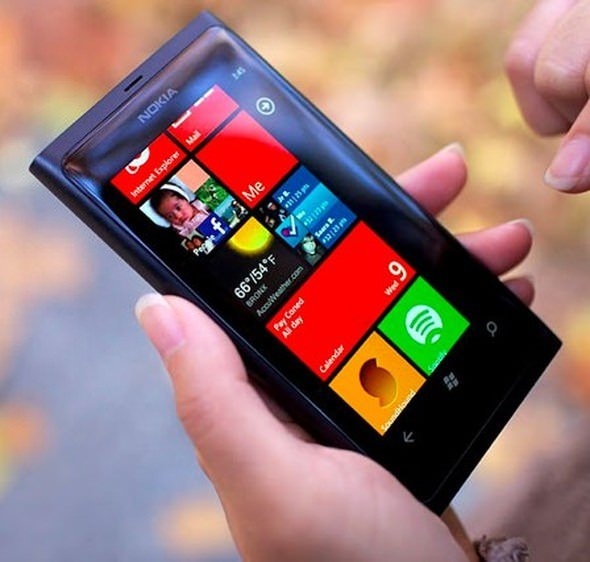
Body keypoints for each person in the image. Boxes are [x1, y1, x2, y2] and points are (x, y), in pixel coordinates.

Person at [136, 1, 590, 558]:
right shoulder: (195, 243)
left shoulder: (222, 211)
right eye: (171, 214)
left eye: (179, 203)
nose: (181, 213)